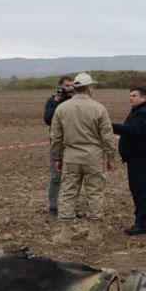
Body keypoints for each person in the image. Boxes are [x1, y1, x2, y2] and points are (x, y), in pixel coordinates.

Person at [49, 72, 115, 244]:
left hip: (71, 156)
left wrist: (57, 157)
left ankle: (65, 234)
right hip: (94, 157)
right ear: (89, 88)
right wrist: (110, 157)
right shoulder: (99, 108)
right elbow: (107, 137)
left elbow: (55, 137)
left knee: (68, 193)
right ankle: (94, 233)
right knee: (95, 194)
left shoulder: (62, 108)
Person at [112, 87, 146, 236]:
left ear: (143, 97)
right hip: (135, 158)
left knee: (140, 191)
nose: (131, 98)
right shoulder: (138, 111)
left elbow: (132, 130)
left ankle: (142, 224)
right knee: (136, 189)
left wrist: (109, 126)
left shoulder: (143, 113)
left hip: (141, 158)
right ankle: (140, 221)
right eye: (130, 95)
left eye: (134, 95)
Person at [43, 76, 77, 218]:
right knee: (56, 177)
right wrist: (57, 103)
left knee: (73, 178)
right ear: (60, 86)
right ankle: (53, 208)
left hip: (73, 144)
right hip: (57, 144)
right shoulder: (52, 101)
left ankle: (71, 208)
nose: (69, 88)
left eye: (71, 86)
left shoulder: (75, 100)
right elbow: (48, 119)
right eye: (66, 86)